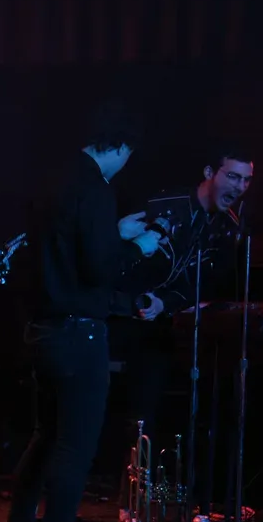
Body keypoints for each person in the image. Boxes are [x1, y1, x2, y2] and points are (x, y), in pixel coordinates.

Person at [1, 100, 159, 522]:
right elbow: (97, 268)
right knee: (75, 446)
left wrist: (113, 233)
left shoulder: (55, 178)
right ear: (122, 147)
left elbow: (64, 250)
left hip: (43, 330)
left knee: (45, 436)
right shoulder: (96, 188)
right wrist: (136, 247)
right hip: (79, 336)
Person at [108, 144, 252, 445]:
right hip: (114, 313)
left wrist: (165, 303)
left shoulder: (229, 230)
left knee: (147, 410)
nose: (239, 187)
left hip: (158, 324)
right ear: (210, 173)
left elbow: (203, 286)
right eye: (233, 177)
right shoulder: (164, 204)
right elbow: (114, 252)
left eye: (246, 180)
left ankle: (135, 482)